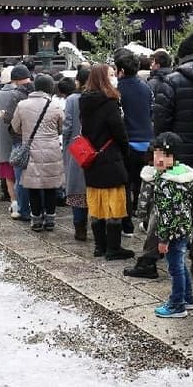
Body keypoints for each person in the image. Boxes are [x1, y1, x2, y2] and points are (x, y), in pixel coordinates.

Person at [128, 33, 193, 280]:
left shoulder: (172, 81)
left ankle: (149, 259)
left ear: (181, 55)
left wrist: (160, 155)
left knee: (164, 206)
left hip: (175, 158)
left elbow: (161, 124)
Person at [80, 64, 134, 260]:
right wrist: (125, 150)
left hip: (91, 157)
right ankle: (113, 248)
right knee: (114, 203)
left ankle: (99, 246)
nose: (114, 78)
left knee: (96, 203)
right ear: (104, 78)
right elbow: (119, 132)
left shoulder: (84, 101)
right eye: (111, 75)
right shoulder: (110, 103)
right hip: (110, 157)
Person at [143, 132, 193, 318]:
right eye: (156, 154)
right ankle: (188, 299)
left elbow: (167, 214)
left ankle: (177, 305)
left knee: (175, 268)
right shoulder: (180, 175)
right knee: (180, 264)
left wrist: (163, 239)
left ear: (173, 157)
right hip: (183, 226)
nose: (158, 159)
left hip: (173, 231)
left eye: (164, 155)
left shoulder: (168, 183)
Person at [12, 74, 65, 230]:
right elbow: (61, 127)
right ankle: (50, 219)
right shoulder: (55, 106)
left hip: (31, 150)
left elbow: (15, 127)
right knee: (50, 187)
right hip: (52, 150)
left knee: (33, 187)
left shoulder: (22, 105)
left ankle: (36, 220)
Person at [114, 48, 154, 238]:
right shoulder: (146, 87)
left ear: (120, 70)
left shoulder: (117, 90)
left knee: (125, 185)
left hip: (128, 141)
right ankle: (147, 222)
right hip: (147, 141)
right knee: (146, 184)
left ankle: (126, 225)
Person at [0, 65, 33, 221]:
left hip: (11, 138)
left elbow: (2, 117)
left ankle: (17, 205)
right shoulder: (36, 92)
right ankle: (37, 208)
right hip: (33, 139)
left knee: (13, 174)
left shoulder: (1, 96)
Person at [62, 68, 90, 240]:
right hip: (97, 148)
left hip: (77, 147)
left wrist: (66, 145)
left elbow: (67, 126)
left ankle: (80, 227)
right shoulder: (104, 96)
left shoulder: (72, 99)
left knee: (77, 188)